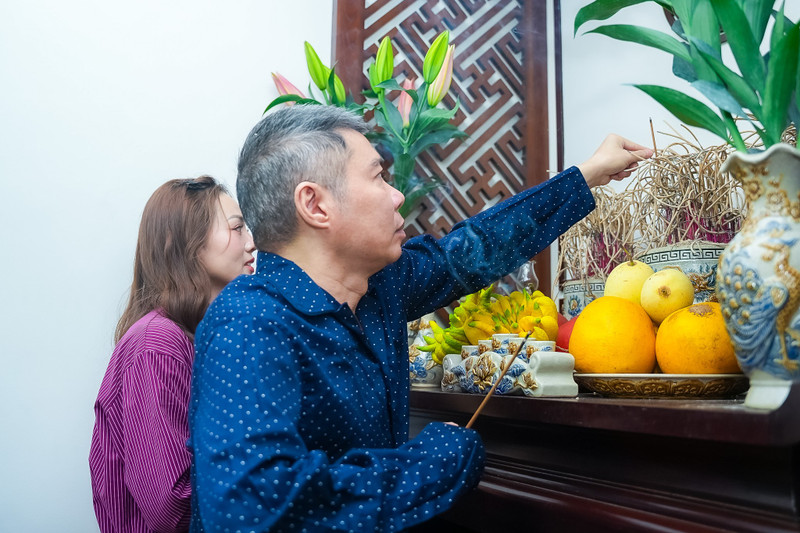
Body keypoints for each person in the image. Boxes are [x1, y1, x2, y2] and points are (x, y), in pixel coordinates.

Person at [187, 105, 653, 532]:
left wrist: (587, 175)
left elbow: (473, 249)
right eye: (377, 177)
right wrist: (436, 459)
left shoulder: (379, 287)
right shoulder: (250, 322)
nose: (396, 196)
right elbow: (252, 506)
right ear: (315, 205)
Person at [89, 176, 256, 533]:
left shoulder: (196, 337)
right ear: (189, 243)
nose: (251, 243)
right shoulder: (157, 342)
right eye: (237, 228)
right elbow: (172, 508)